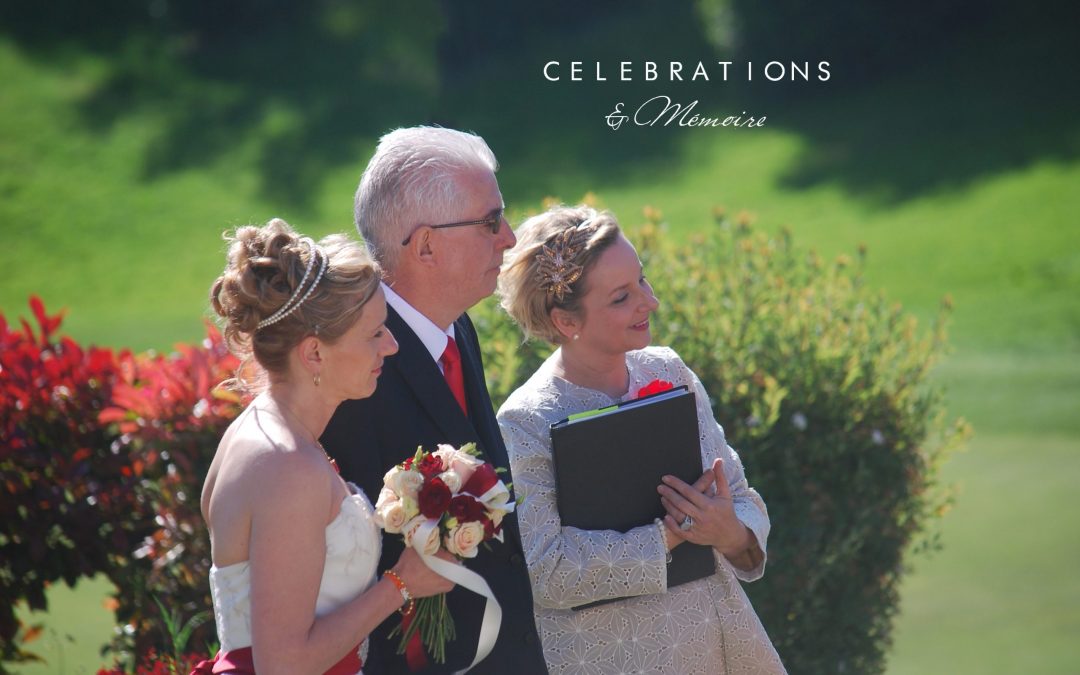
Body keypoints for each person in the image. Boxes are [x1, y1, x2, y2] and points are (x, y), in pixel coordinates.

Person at [495, 205, 786, 674]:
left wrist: (729, 530)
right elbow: (545, 571)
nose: (648, 302)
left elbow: (740, 495)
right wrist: (671, 533)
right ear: (566, 321)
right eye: (621, 297)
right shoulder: (526, 419)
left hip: (718, 645)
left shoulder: (669, 370)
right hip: (609, 658)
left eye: (643, 281)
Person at [320, 127, 548, 674]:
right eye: (489, 221)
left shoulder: (455, 325)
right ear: (425, 245)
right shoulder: (354, 366)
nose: (510, 238)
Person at [196, 218, 454, 674]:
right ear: (314, 353)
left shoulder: (262, 434)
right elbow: (285, 664)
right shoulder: (286, 466)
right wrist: (401, 583)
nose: (391, 346)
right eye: (374, 333)